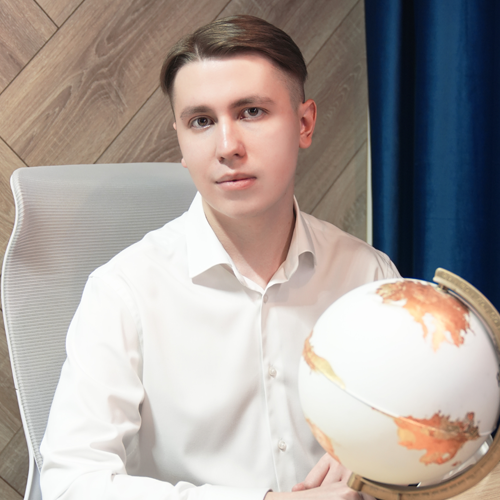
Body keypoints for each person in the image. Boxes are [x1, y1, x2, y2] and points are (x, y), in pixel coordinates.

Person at [40, 15, 400, 500]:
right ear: (181, 141)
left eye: (251, 112)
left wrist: (379, 448)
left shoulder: (369, 276)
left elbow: (416, 424)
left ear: (304, 124)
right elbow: (70, 483)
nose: (227, 147)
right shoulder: (123, 293)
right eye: (202, 122)